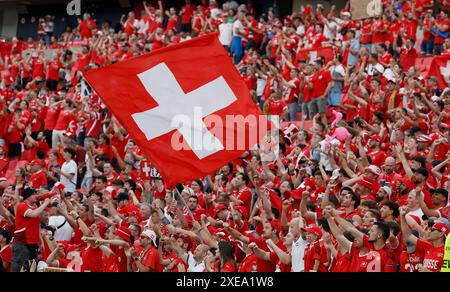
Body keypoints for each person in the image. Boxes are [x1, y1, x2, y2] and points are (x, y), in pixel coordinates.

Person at [11, 188, 51, 272]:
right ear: (28, 196)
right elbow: (33, 214)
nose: (35, 196)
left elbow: (37, 226)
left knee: (30, 269)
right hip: (22, 243)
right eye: (33, 194)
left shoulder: (34, 207)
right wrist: (45, 203)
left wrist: (41, 242)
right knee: (19, 268)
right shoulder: (22, 206)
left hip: (32, 244)